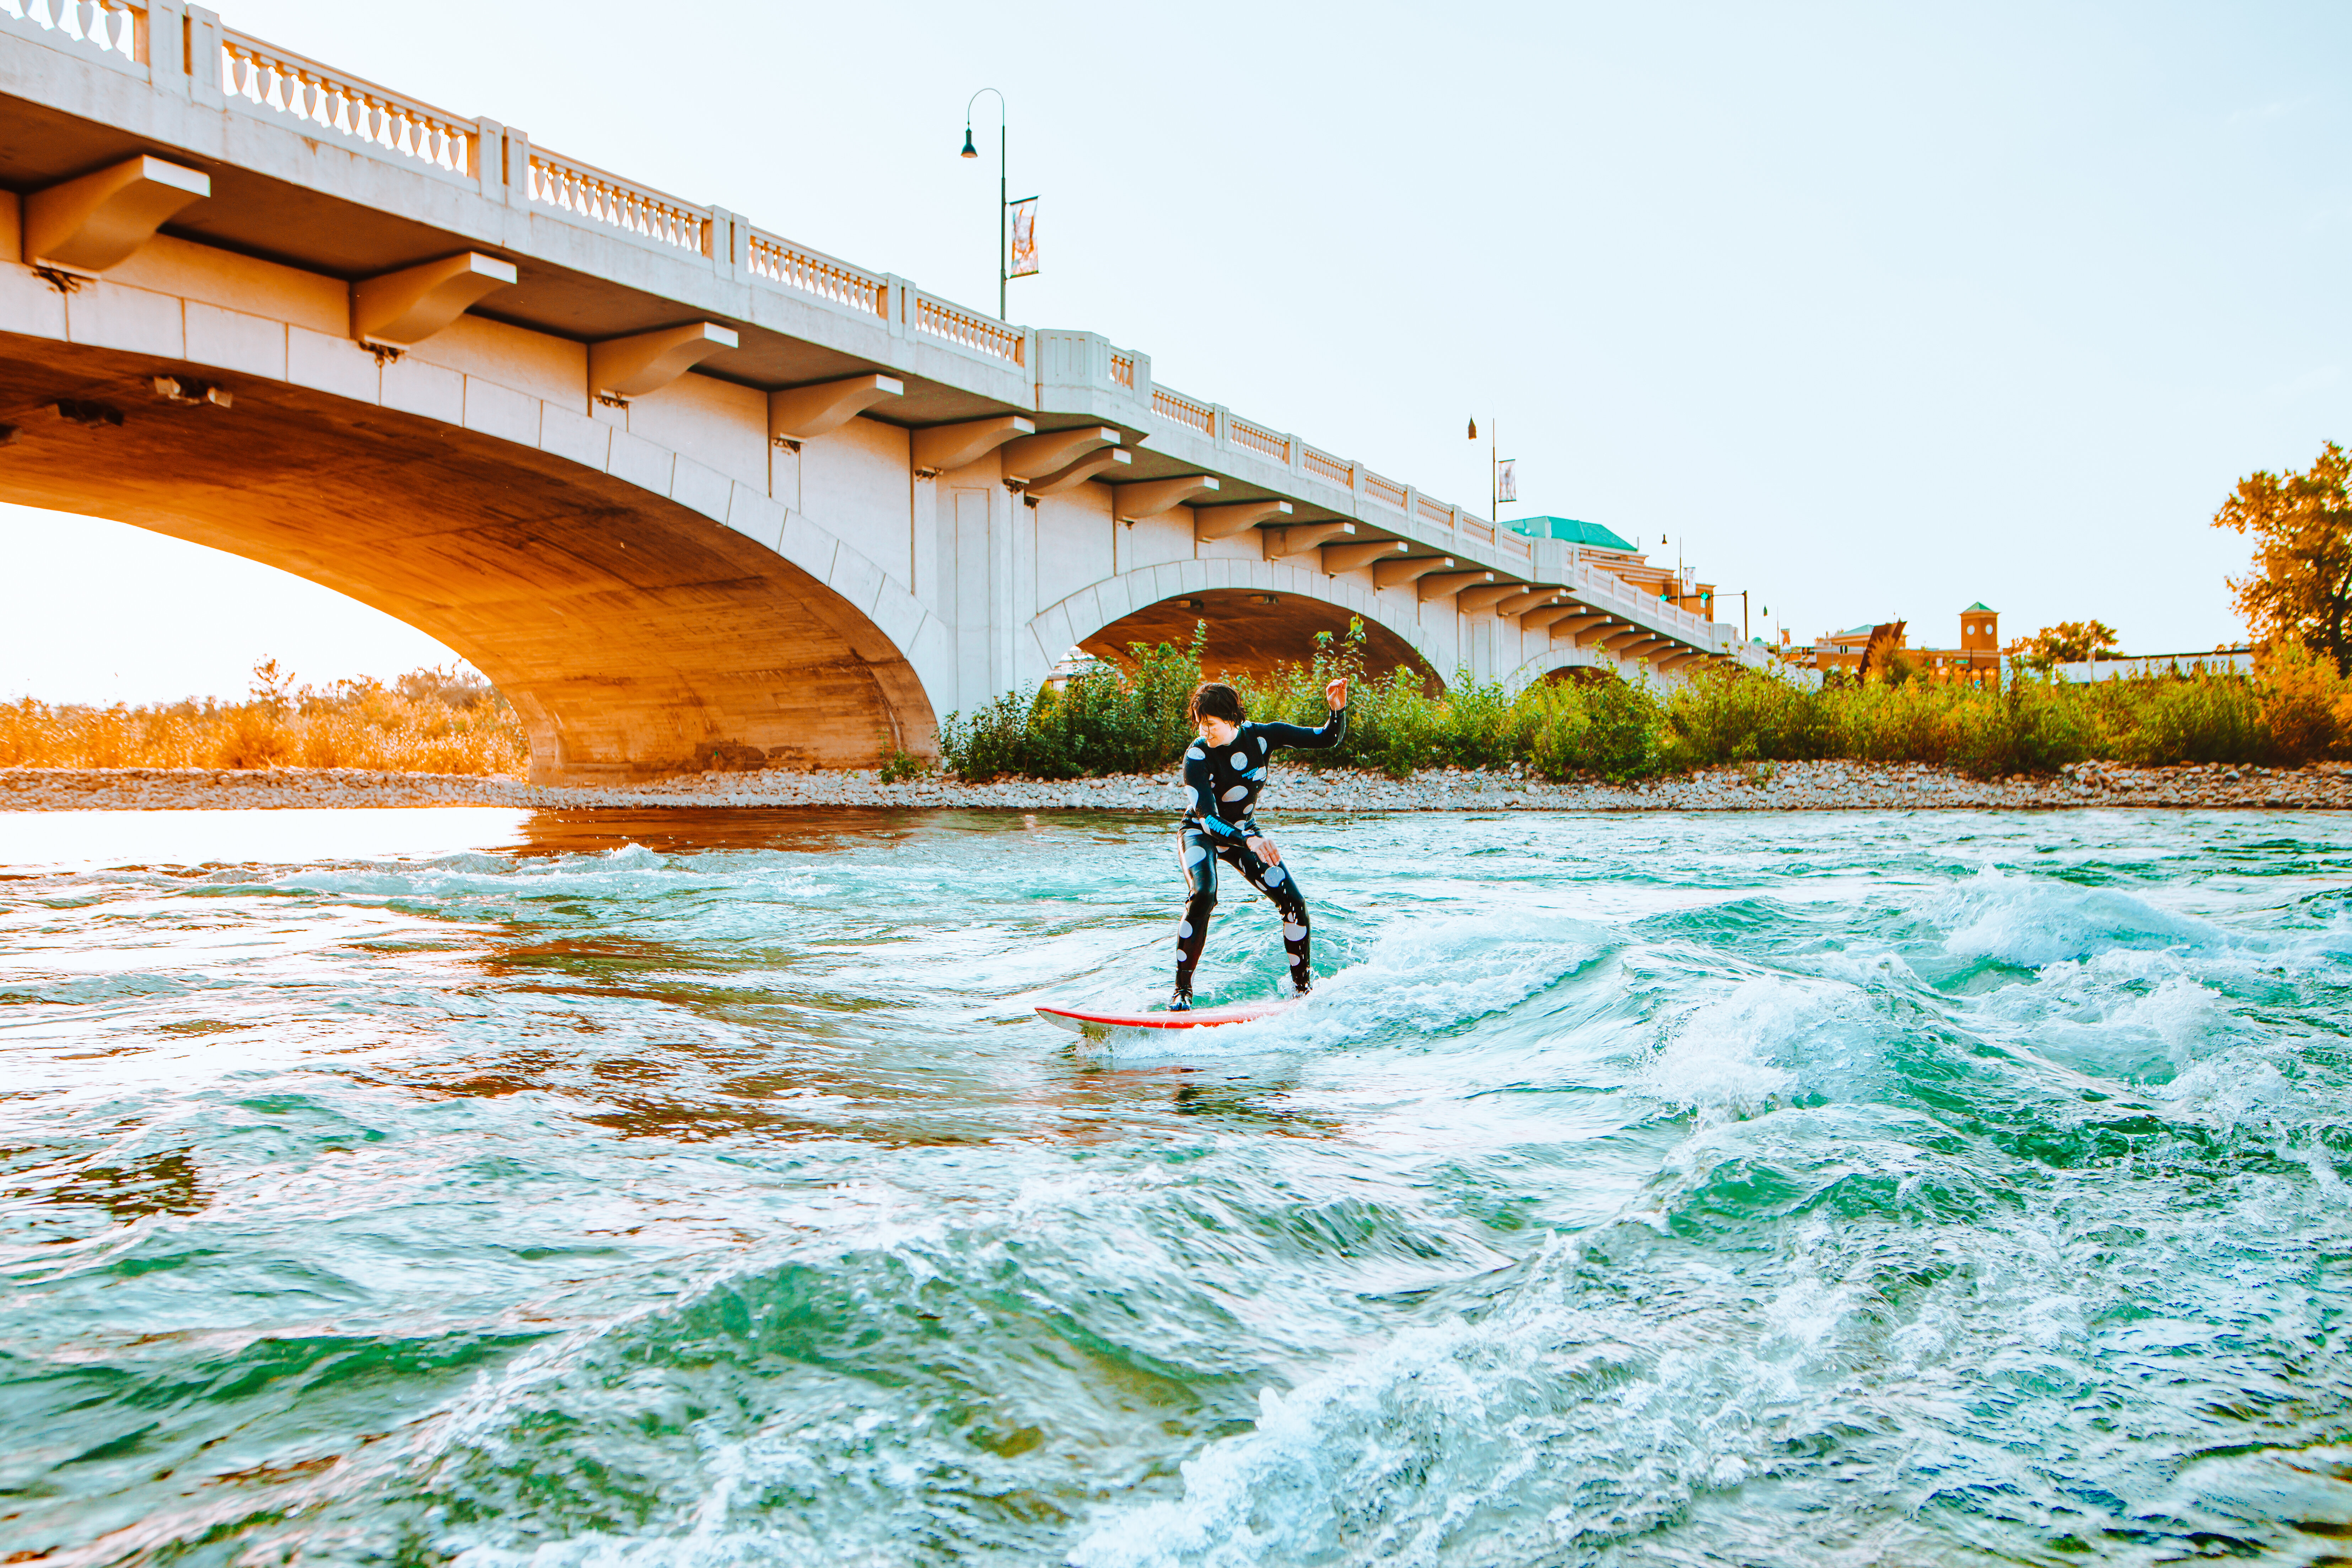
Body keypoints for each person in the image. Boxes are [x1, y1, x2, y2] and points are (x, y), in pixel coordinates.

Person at [1170, 675, 1350, 1009]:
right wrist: (1248, 839)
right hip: (1200, 832)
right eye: (1199, 725)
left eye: (1210, 724)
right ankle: (1182, 991)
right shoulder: (1196, 756)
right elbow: (1208, 820)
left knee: (1294, 903)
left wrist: (1337, 711)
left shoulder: (1263, 737)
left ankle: (1302, 991)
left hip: (1244, 834)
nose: (1203, 732)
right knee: (1204, 893)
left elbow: (1326, 739)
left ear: (1233, 719)